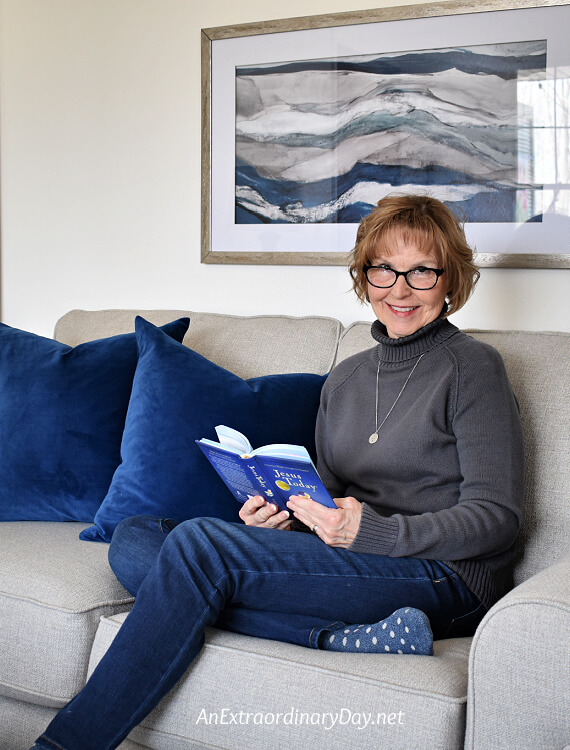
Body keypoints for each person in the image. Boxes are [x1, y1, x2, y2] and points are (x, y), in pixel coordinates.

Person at [31, 194, 524, 750]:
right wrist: (283, 520)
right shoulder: (346, 378)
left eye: (421, 272)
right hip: (354, 558)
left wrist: (375, 531)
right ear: (364, 276)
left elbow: (498, 517)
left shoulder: (473, 368)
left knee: (196, 548)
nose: (399, 289)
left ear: (451, 280)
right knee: (137, 538)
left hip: (444, 577)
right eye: (383, 269)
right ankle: (337, 638)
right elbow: (332, 496)